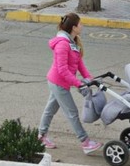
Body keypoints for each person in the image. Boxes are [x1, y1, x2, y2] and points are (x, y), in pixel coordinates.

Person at [37, 12, 103, 154]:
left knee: (50, 109)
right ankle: (85, 142)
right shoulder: (63, 44)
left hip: (61, 82)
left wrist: (89, 78)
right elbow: (62, 70)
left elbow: (79, 64)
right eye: (80, 24)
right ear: (74, 27)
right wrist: (78, 83)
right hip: (58, 82)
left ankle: (41, 136)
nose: (82, 26)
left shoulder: (73, 42)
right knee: (72, 112)